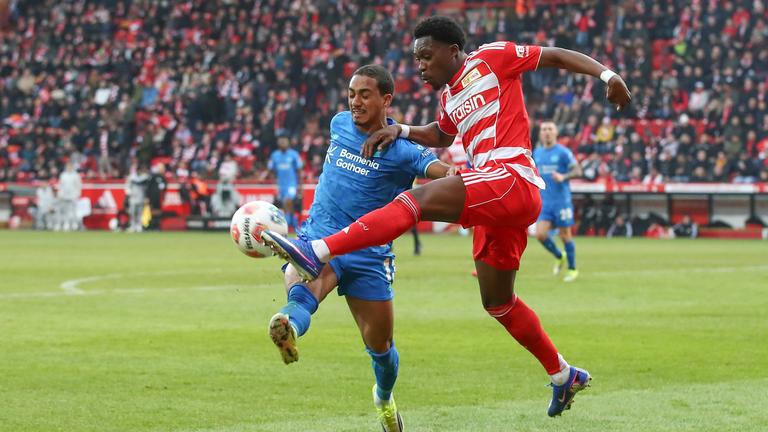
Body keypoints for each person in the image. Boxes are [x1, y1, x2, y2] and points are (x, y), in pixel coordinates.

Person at [262, 16, 631, 418]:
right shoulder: (449, 97)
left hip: (510, 175)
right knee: (498, 303)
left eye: (426, 55)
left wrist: (606, 74)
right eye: (416, 58)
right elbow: (442, 134)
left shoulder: (492, 57)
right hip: (495, 201)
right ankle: (563, 375)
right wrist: (401, 129)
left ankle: (316, 251)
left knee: (413, 203)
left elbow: (556, 56)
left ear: (452, 51)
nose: (420, 65)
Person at [266, 65, 450, 432]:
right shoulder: (338, 124)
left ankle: (383, 399)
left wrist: (463, 179)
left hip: (368, 253)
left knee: (381, 348)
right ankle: (288, 326)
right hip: (318, 239)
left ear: (386, 99)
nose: (355, 101)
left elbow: (442, 173)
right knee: (305, 288)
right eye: (351, 94)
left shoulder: (404, 150)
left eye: (365, 94)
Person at [533, 121, 582, 282]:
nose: (547, 132)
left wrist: (564, 176)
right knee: (540, 235)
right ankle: (559, 255)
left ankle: (573, 268)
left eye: (550, 129)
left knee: (565, 235)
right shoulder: (537, 153)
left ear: (556, 133)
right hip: (544, 202)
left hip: (561, 201)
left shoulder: (563, 152)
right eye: (544, 130)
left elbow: (577, 170)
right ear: (540, 134)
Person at [268, 134, 303, 231]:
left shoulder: (294, 154)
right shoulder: (275, 155)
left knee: (288, 201)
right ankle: (292, 222)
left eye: (284, 140)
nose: (282, 142)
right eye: (281, 141)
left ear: (288, 142)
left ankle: (291, 223)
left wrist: (300, 186)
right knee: (284, 205)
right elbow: (271, 170)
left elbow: (299, 170)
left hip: (292, 184)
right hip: (281, 185)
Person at [56, 161, 82, 231]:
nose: (69, 168)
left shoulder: (76, 175)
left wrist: (78, 194)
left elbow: (78, 185)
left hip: (73, 195)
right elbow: (61, 185)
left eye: (70, 166)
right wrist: (60, 194)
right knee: (64, 211)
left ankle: (74, 224)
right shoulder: (63, 175)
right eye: (68, 166)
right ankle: (65, 223)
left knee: (73, 211)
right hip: (64, 195)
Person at [125, 165, 149, 232]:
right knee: (132, 213)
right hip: (133, 198)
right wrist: (129, 193)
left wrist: (146, 197)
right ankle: (132, 226)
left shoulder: (145, 178)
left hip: (141, 197)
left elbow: (146, 188)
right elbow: (127, 187)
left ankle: (139, 226)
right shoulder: (132, 177)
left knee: (140, 213)